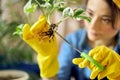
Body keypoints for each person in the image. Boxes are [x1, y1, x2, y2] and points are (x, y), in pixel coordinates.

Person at [22, 0, 120, 80]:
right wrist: (48, 60)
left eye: (106, 20)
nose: (93, 25)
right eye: (90, 13)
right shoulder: (73, 41)